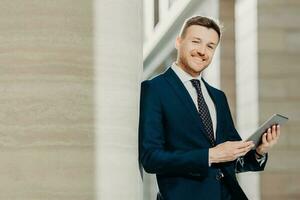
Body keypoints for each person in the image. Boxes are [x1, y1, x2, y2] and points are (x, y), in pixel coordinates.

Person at [138, 16, 280, 200]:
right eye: (196, 42)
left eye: (210, 46)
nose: (202, 51)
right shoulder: (154, 89)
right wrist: (209, 156)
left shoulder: (218, 97)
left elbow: (232, 160)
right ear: (178, 42)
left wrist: (259, 151)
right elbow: (151, 158)